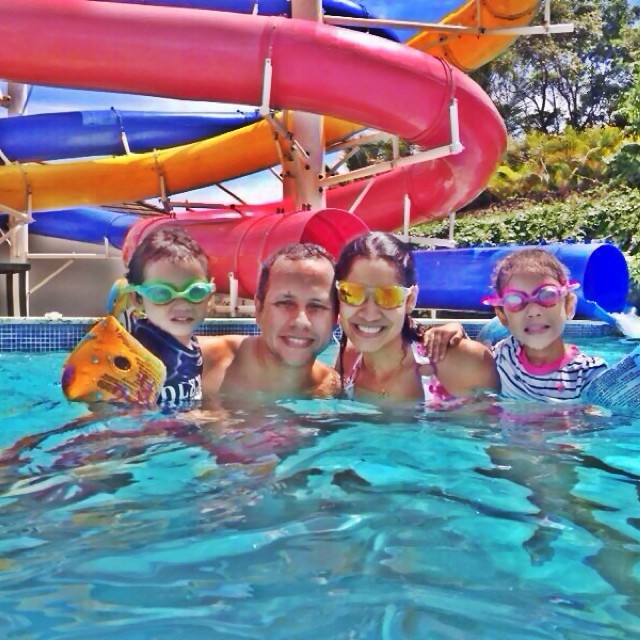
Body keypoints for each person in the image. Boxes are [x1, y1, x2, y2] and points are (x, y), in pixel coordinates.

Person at [334, 231, 498, 405]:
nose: (370, 313)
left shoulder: (463, 364)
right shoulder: (347, 358)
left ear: (410, 300)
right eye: (352, 293)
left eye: (388, 296)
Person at [200, 243, 340, 400]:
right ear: (259, 309)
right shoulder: (201, 361)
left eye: (317, 306)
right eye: (285, 303)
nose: (301, 322)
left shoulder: (332, 388)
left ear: (335, 317)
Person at [482, 247, 608, 402]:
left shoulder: (588, 374)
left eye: (547, 295)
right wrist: (455, 333)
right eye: (515, 300)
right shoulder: (500, 358)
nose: (533, 311)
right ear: (502, 316)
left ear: (569, 305)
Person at [121, 226, 216, 409]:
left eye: (195, 292)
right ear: (138, 298)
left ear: (209, 297)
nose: (182, 305)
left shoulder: (191, 344)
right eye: (162, 293)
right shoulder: (140, 355)